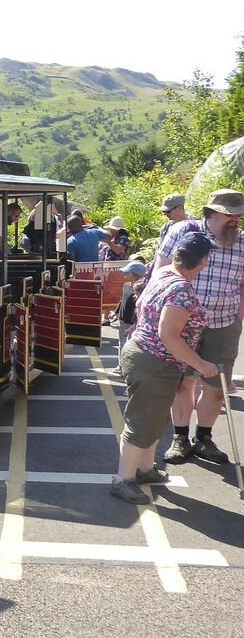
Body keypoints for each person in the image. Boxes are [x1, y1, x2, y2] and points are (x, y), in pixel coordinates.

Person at [111, 233, 217, 504]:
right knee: (142, 420)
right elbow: (169, 335)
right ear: (202, 261)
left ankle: (145, 469)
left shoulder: (163, 272)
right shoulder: (181, 289)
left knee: (155, 418)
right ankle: (123, 478)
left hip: (147, 355)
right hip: (154, 361)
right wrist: (201, 364)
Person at [155, 188, 244, 465]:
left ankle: (203, 438)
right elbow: (161, 271)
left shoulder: (242, 242)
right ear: (211, 212)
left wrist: (239, 317)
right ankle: (180, 437)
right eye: (229, 214)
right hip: (182, 322)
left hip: (224, 322)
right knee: (183, 382)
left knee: (216, 386)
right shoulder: (184, 232)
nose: (235, 219)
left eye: (238, 214)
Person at [108, 261, 148, 376]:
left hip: (132, 323)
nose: (125, 275)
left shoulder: (142, 289)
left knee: (130, 345)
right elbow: (122, 300)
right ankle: (121, 366)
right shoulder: (126, 286)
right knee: (121, 344)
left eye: (128, 273)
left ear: (135, 275)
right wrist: (116, 312)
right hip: (123, 320)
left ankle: (129, 367)